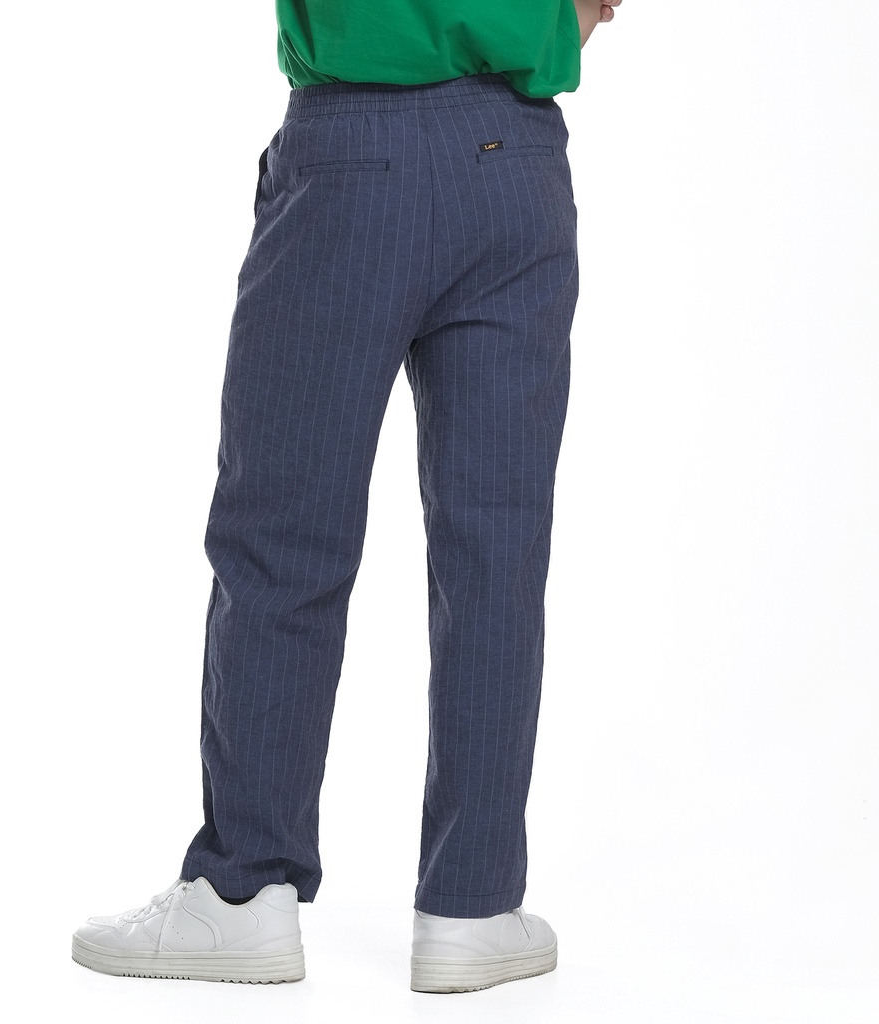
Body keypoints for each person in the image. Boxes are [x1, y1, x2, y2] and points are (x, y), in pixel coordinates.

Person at [72, 0, 621, 994]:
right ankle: (473, 906)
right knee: (496, 549)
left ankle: (243, 891)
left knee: (285, 535)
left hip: (357, 152)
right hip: (518, 166)